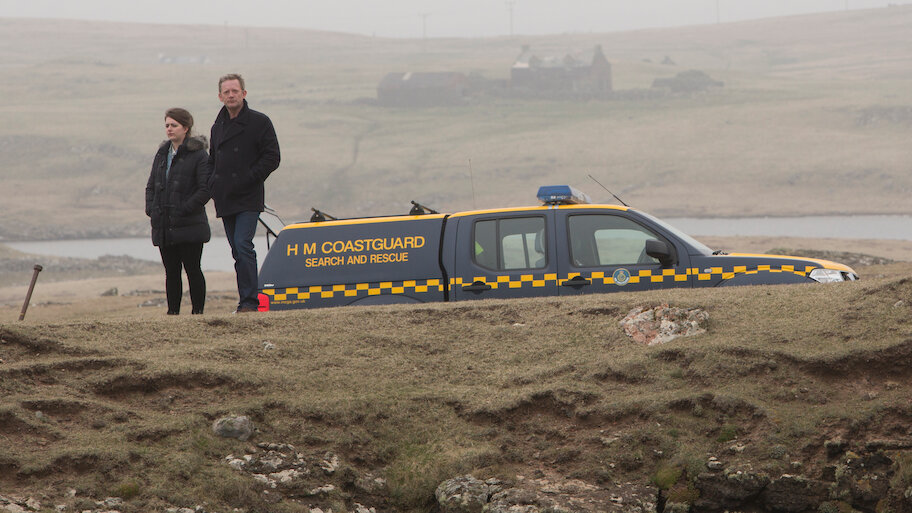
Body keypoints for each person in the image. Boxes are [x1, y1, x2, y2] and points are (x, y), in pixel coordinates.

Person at [208, 74, 281, 313]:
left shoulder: (260, 122)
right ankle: (244, 301)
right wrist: (212, 184)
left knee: (243, 244)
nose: (231, 95)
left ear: (244, 93)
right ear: (220, 96)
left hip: (248, 196)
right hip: (225, 197)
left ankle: (250, 302)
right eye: (226, 92)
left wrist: (249, 178)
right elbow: (212, 161)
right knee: (237, 251)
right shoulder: (217, 127)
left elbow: (272, 157)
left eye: (235, 91)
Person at [145, 108, 212, 315]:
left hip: (190, 224)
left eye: (174, 125)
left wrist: (185, 209)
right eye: (167, 125)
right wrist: (151, 209)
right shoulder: (162, 154)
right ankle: (172, 313)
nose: (169, 129)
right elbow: (151, 186)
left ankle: (197, 313)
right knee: (171, 272)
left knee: (192, 269)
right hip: (164, 224)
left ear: (186, 127)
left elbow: (205, 189)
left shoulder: (199, 155)